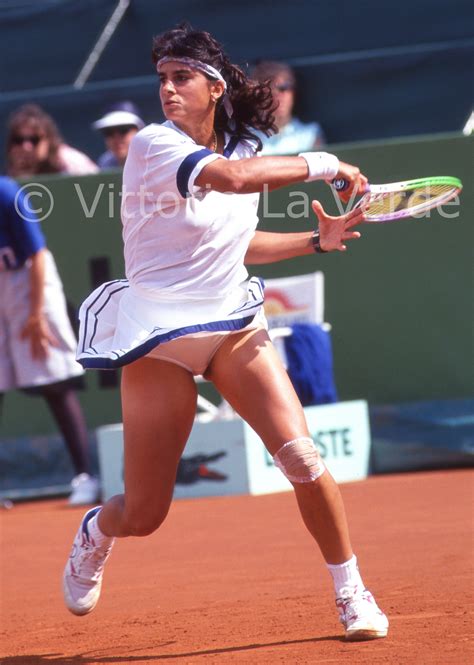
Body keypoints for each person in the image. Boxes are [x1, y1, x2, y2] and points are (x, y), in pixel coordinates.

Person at [62, 24, 388, 642]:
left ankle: (352, 593)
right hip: (159, 340)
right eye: (161, 78)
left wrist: (317, 240)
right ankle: (97, 531)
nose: (166, 89)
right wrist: (327, 164)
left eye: (180, 77)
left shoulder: (247, 146)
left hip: (232, 326)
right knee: (146, 513)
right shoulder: (154, 145)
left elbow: (238, 244)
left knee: (301, 455)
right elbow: (235, 183)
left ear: (213, 88)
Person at [0, 176, 100, 505]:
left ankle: (85, 477)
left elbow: (38, 254)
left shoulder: (6, 191)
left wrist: (35, 314)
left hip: (28, 281)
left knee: (55, 382)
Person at [252, 60, 325, 155]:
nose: (277, 95)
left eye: (284, 87)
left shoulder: (310, 135)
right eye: (269, 89)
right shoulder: (248, 137)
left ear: (293, 93)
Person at [6, 104, 98, 177]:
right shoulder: (15, 170)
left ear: (48, 140)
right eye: (18, 140)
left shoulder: (71, 163)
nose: (26, 147)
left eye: (34, 140)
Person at [92, 101, 146, 169]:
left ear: (140, 131)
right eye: (109, 132)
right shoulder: (105, 163)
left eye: (123, 130)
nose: (116, 139)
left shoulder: (154, 157)